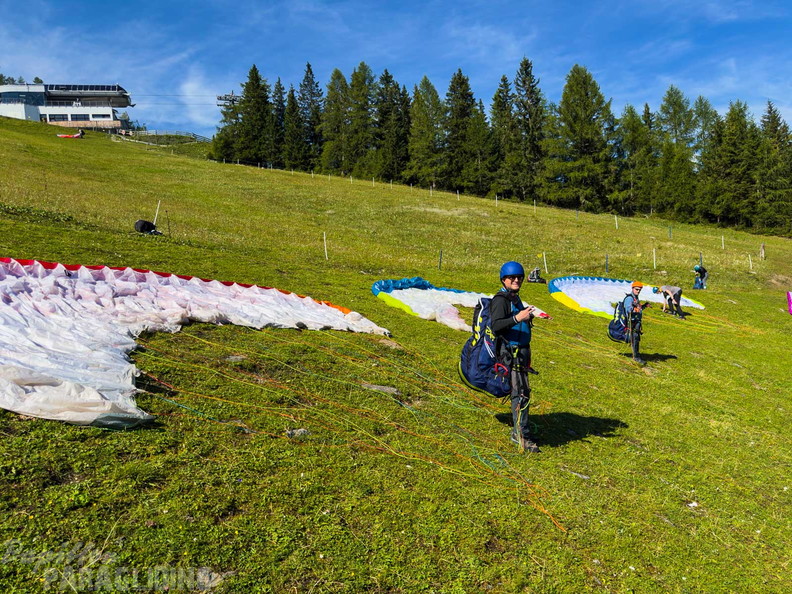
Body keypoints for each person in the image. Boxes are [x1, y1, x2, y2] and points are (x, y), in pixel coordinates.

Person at [490, 261, 541, 453]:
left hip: (521, 352)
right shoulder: (501, 300)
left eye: (519, 277)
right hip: (511, 354)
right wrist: (518, 318)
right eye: (512, 278)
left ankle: (523, 430)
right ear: (504, 280)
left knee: (524, 392)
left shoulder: (514, 298)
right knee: (519, 394)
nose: (516, 280)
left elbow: (517, 318)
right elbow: (496, 325)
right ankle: (521, 435)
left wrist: (529, 315)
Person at [623, 281, 650, 365]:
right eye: (636, 289)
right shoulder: (629, 298)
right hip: (632, 322)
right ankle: (636, 357)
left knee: (637, 338)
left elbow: (638, 308)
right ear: (632, 288)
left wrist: (644, 306)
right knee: (635, 338)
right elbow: (628, 309)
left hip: (637, 322)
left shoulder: (635, 298)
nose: (638, 291)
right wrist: (636, 309)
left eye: (639, 290)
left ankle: (636, 354)